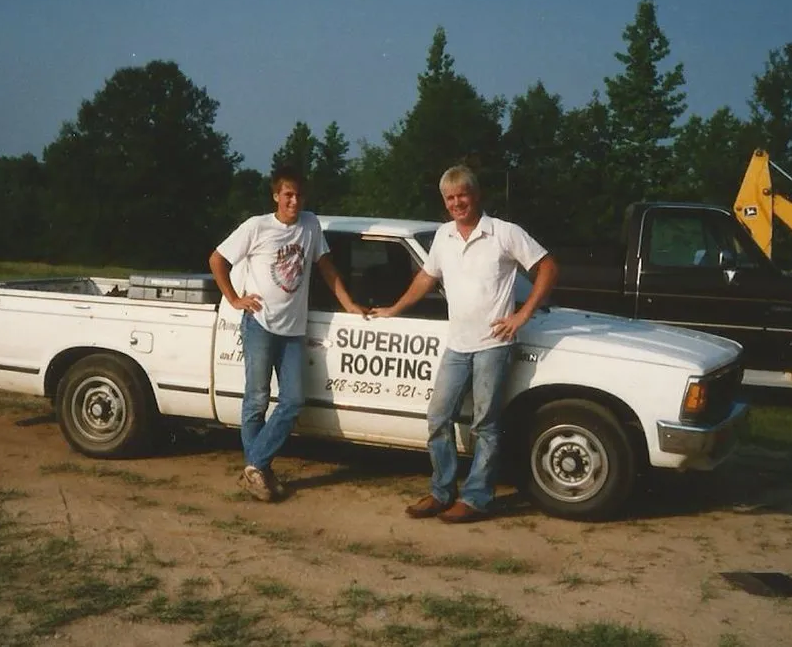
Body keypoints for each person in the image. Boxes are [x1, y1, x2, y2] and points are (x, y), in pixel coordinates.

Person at [369, 165, 558, 523]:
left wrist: (522, 315)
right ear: (445, 202)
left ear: (476, 195)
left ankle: (476, 499)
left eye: (463, 195)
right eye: (451, 198)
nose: (458, 203)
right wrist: (394, 309)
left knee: (485, 424)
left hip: (493, 345)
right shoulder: (443, 236)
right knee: (438, 416)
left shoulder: (504, 233)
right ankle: (442, 492)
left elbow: (547, 267)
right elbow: (427, 277)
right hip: (457, 345)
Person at [209, 166, 366, 502]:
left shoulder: (310, 225)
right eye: (287, 195)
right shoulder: (257, 226)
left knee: (293, 401)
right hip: (260, 325)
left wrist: (350, 304)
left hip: (294, 329)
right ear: (275, 196)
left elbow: (326, 269)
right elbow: (217, 260)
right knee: (256, 401)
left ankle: (254, 465)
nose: (294, 201)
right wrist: (235, 299)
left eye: (298, 195)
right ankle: (260, 473)